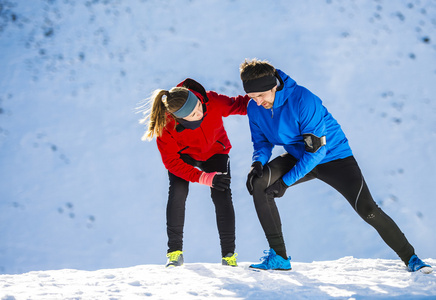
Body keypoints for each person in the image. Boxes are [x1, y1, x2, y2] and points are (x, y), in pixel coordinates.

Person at [239, 58, 433, 273]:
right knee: (259, 183)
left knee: (367, 209)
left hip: (333, 157)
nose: (257, 101)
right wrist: (257, 163)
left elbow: (316, 151)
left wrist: (285, 182)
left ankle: (412, 258)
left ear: (273, 86)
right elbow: (262, 142)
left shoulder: (304, 100)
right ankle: (279, 257)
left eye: (260, 96)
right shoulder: (254, 108)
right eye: (251, 97)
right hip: (298, 154)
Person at [140, 78, 250, 268]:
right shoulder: (166, 125)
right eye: (193, 114)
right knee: (177, 193)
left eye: (198, 105)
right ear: (179, 118)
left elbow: (239, 104)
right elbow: (171, 162)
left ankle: (229, 255)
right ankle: (174, 253)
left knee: (222, 195)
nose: (200, 112)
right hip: (184, 157)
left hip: (216, 152)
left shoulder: (211, 101)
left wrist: (264, 97)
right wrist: (204, 178)